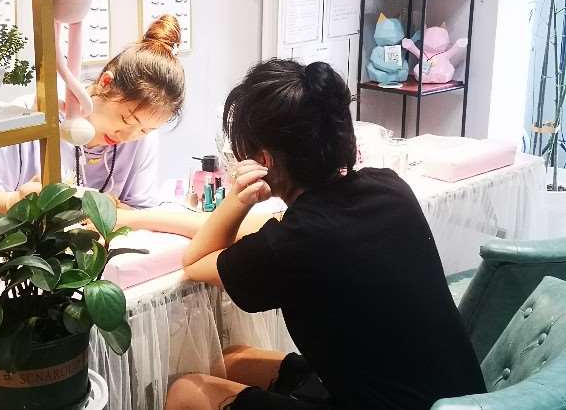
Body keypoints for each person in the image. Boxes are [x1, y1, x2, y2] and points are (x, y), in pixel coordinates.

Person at [160, 60, 486, 410]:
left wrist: (238, 199)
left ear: (264, 161)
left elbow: (196, 261)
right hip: (461, 399)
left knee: (186, 392)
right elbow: (273, 233)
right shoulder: (389, 189)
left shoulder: (292, 243)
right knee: (234, 360)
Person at [0, 15, 185, 214]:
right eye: (126, 120)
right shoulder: (34, 116)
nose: (128, 136)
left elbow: (139, 210)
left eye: (145, 130)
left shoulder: (141, 141)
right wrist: (13, 201)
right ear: (105, 83)